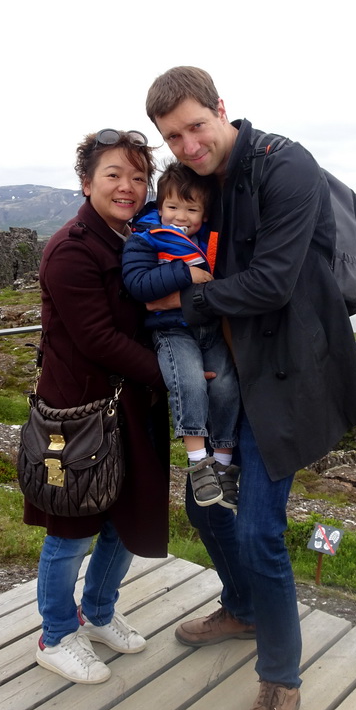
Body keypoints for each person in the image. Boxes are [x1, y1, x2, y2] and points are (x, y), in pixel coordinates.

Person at [144, 67, 356, 710]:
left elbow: (272, 283)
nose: (188, 144)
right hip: (229, 379)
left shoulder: (284, 165)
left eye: (195, 126)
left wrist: (183, 300)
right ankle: (243, 607)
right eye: (172, 137)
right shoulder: (199, 181)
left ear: (221, 108)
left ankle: (281, 681)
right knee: (206, 502)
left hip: (285, 378)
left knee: (258, 527)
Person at [23, 128, 170, 685]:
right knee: (72, 527)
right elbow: (97, 338)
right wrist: (174, 379)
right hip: (77, 415)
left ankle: (100, 613)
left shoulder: (133, 237)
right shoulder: (71, 249)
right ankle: (56, 633)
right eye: (114, 174)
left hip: (128, 407)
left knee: (125, 517)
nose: (128, 186)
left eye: (138, 176)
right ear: (87, 183)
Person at [122, 161, 241, 510]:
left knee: (226, 386)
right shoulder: (144, 241)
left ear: (204, 215)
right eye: (173, 207)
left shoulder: (211, 242)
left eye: (192, 209)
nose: (181, 216)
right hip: (171, 331)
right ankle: (197, 461)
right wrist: (186, 273)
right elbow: (139, 286)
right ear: (160, 209)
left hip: (208, 329)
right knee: (189, 382)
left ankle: (222, 465)